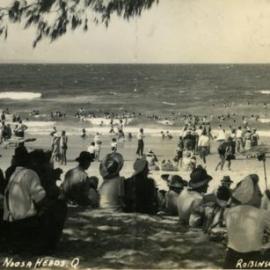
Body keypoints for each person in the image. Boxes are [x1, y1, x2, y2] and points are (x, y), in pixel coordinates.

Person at [3, 149, 66, 254]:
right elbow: (42, 200)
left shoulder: (16, 172)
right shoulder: (30, 174)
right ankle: (49, 246)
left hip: (11, 223)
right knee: (59, 206)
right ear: (35, 162)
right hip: (23, 224)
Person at [224, 174, 270, 269]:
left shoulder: (228, 213)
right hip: (252, 261)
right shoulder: (261, 214)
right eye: (259, 194)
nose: (261, 197)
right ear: (250, 196)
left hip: (230, 260)